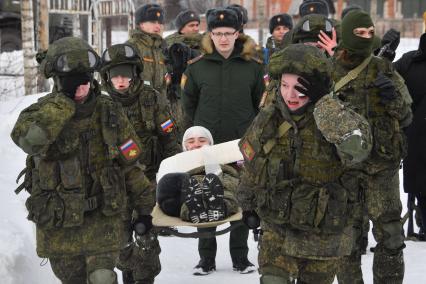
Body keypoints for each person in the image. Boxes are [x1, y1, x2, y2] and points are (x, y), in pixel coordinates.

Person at [11, 37, 154, 284]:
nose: (81, 88)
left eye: (85, 80)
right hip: (60, 224)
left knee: (102, 277)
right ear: (57, 81)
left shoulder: (108, 112)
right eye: (71, 82)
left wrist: (144, 211)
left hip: (103, 219)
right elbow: (27, 140)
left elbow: (131, 166)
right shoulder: (41, 112)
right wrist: (62, 104)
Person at [237, 43, 373, 284]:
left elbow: (357, 150)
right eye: (285, 86)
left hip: (322, 238)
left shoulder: (336, 115)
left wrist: (324, 105)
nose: (290, 95)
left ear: (316, 88)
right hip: (277, 232)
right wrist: (247, 204)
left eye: (299, 88)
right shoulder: (269, 117)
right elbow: (252, 162)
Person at [182, 7, 264, 275]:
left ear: (238, 33)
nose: (224, 39)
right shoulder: (197, 68)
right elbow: (188, 105)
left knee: (240, 197)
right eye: (218, 34)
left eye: (229, 33)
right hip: (207, 147)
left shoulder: (252, 68)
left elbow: (258, 105)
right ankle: (206, 258)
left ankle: (240, 257)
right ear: (211, 35)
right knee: (204, 196)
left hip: (240, 146)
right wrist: (193, 140)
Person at [332, 10, 412, 284]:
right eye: (359, 34)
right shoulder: (329, 71)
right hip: (344, 170)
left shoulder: (384, 68)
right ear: (346, 35)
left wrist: (391, 97)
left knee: (390, 236)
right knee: (347, 240)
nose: (365, 38)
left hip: (382, 168)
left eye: (369, 33)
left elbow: (406, 115)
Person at [99, 43, 181, 284]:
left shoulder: (151, 99)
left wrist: (170, 174)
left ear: (135, 74)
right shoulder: (100, 105)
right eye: (115, 76)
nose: (121, 80)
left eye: (125, 74)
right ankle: (127, 275)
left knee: (146, 234)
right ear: (106, 77)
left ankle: (145, 278)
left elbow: (170, 137)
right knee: (121, 239)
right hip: (115, 183)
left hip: (149, 180)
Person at [156, 126, 239, 227]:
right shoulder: (177, 163)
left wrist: (212, 163)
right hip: (192, 189)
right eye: (191, 142)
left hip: (218, 185)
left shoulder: (222, 160)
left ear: (210, 144)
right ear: (185, 146)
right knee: (178, 190)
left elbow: (234, 178)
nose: (196, 144)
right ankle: (198, 210)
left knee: (227, 190)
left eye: (202, 140)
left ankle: (217, 207)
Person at [394, 32, 426, 240]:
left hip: (415, 137)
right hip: (416, 139)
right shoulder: (409, 61)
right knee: (420, 185)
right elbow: (383, 76)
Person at [127, 4, 168, 105]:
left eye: (160, 22)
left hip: (161, 108)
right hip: (137, 108)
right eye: (153, 22)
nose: (158, 26)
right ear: (141, 24)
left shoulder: (163, 48)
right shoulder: (130, 47)